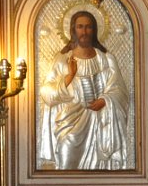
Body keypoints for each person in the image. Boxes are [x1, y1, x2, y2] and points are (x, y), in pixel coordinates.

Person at [39, 10, 129, 170]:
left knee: (98, 171)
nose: (84, 31)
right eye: (80, 27)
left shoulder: (106, 59)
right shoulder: (62, 60)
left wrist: (105, 100)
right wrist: (70, 76)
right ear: (73, 30)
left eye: (88, 27)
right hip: (70, 123)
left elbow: (120, 91)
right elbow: (46, 93)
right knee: (66, 161)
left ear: (94, 30)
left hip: (99, 122)